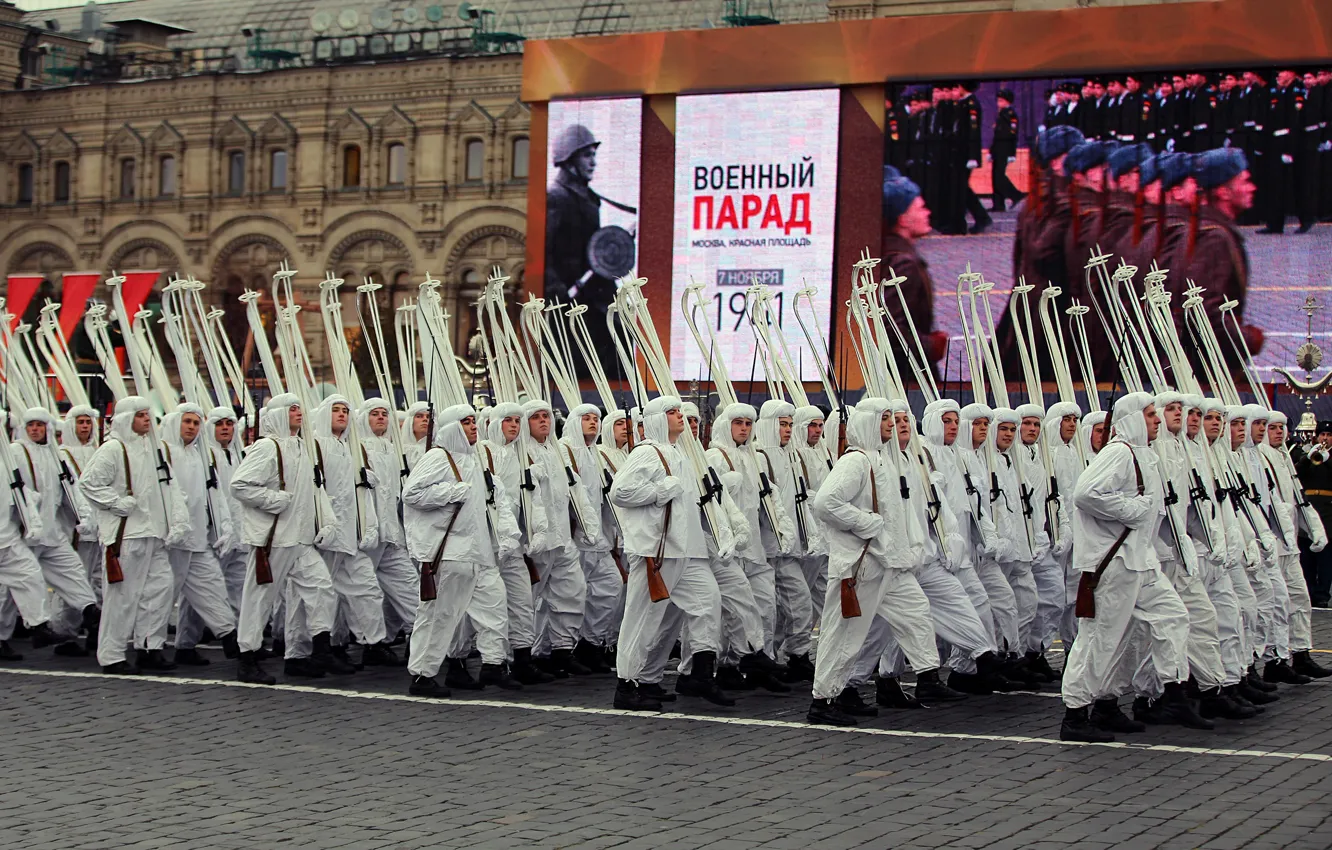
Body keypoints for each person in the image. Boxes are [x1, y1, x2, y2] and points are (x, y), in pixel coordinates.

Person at [1060, 393, 1197, 743]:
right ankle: (1076, 714)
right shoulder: (1119, 452)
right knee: (1100, 639)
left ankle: (1167, 691)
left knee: (1171, 616)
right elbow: (1086, 494)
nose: (1157, 420)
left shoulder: (1143, 453)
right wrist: (1133, 509)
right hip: (1114, 563)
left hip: (1140, 560)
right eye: (1150, 414)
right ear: (1134, 419)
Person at [805, 398, 939, 728]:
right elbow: (825, 503)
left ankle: (928, 674)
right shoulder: (856, 462)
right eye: (884, 420)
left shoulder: (880, 460)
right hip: (860, 565)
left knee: (916, 612)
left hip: (888, 563)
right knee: (843, 634)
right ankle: (824, 700)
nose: (891, 425)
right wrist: (865, 522)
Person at [609, 396, 727, 711]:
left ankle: (697, 674)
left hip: (686, 550)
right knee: (642, 618)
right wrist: (659, 492)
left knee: (706, 603)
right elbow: (619, 492)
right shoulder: (647, 452)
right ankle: (628, 684)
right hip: (656, 554)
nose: (679, 417)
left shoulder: (678, 453)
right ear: (659, 419)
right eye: (672, 412)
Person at [229, 394, 348, 684]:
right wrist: (273, 500)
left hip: (301, 539)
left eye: (299, 408)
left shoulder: (300, 447)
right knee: (259, 599)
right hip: (274, 539)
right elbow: (240, 485)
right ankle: (248, 657)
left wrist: (329, 522)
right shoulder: (267, 448)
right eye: (292, 408)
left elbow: (315, 490)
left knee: (321, 589)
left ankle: (319, 650)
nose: (299, 413)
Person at [405, 404, 518, 697]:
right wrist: (452, 492)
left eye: (474, 421)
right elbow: (412, 493)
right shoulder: (438, 457)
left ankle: (493, 662)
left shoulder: (475, 459)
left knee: (490, 606)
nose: (473, 426)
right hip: (450, 553)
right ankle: (421, 674)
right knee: (439, 614)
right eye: (466, 422)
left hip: (477, 552)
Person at [78, 397, 181, 674]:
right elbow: (88, 483)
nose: (147, 419)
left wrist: (177, 522)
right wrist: (115, 502)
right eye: (141, 415)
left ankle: (150, 647)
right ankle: (112, 656)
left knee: (160, 590)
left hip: (154, 533)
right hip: (126, 535)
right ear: (126, 419)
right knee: (122, 596)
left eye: (148, 414)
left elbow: (170, 488)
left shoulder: (153, 449)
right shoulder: (112, 449)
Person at [311, 395, 397, 668]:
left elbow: (362, 496)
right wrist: (322, 523)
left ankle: (374, 643)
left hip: (350, 537)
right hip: (325, 536)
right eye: (335, 410)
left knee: (367, 590)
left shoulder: (351, 448)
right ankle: (315, 650)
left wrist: (368, 526)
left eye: (345, 411)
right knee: (321, 595)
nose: (341, 415)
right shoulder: (315, 446)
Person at [11, 407, 103, 657]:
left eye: (40, 425)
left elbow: (70, 489)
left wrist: (84, 517)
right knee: (14, 589)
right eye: (31, 426)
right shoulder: (15, 452)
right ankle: (6, 636)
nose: (35, 430)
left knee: (72, 570)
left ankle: (88, 610)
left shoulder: (54, 454)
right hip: (23, 534)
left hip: (52, 532)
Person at [158, 404, 239, 666]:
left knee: (212, 587)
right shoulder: (163, 453)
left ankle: (229, 636)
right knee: (162, 595)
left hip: (200, 538)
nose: (192, 428)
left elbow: (214, 495)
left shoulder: (199, 456)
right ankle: (148, 646)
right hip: (170, 541)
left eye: (196, 423)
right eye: (187, 422)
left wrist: (224, 525)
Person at [477, 401, 549, 685]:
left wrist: (537, 531)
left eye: (518, 421)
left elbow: (531, 500)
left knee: (522, 600)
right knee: (490, 606)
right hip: (486, 544)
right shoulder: (482, 453)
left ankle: (522, 659)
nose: (514, 426)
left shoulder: (520, 456)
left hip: (513, 545)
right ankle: (485, 663)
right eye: (509, 420)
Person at [1259, 410, 1330, 678]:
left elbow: (1298, 499)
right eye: (1272, 427)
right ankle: (1274, 661)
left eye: (1282, 427)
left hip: (1290, 546)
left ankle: (1301, 654)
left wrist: (1314, 528)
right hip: (1271, 544)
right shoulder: (1260, 457)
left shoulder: (1284, 457)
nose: (1279, 432)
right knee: (1276, 604)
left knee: (1300, 599)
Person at [754, 399, 816, 681]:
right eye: (782, 424)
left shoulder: (792, 457)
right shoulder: (758, 457)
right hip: (764, 550)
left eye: (790, 424)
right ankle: (763, 660)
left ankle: (797, 654)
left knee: (800, 603)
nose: (788, 430)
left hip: (788, 550)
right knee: (765, 609)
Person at [356, 399, 418, 652]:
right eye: (375, 414)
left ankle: (421, 635)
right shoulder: (356, 448)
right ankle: (363, 643)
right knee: (363, 592)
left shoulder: (392, 449)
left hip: (391, 534)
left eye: (384, 414)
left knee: (409, 586)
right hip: (366, 534)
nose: (381, 418)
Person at [880, 172, 944, 387]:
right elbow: (889, 327)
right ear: (903, 218)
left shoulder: (887, 250)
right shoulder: (903, 263)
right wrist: (929, 346)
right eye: (920, 208)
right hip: (907, 376)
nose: (928, 213)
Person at [1292, 419, 1332, 607]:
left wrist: (1327, 459)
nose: (1325, 438)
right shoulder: (1308, 455)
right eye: (1323, 434)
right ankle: (1308, 589)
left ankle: (1322, 594)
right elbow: (1297, 473)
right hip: (1308, 506)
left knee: (1325, 556)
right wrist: (1309, 457)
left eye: (1329, 435)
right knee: (1306, 553)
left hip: (1328, 509)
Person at [991, 89, 1023, 212]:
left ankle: (1016, 194)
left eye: (1001, 100)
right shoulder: (1001, 114)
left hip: (1004, 148)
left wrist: (1011, 153)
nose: (998, 103)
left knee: (999, 176)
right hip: (997, 148)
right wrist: (991, 151)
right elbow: (996, 134)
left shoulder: (1010, 114)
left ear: (1007, 101)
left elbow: (1012, 135)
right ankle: (998, 204)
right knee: (995, 176)